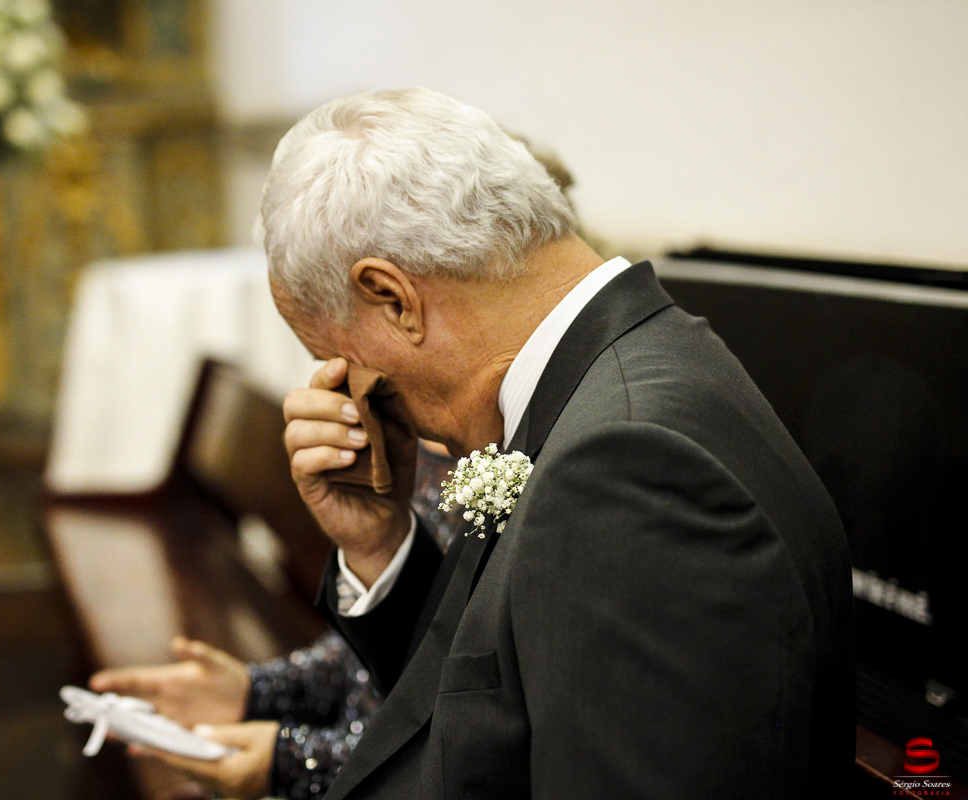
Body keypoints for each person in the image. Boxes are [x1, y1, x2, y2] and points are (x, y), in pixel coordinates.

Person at [141, 87, 855, 799]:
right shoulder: (608, 381)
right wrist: (381, 546)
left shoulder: (627, 469)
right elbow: (488, 702)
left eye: (340, 359)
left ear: (394, 298)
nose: (354, 396)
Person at [91, 443, 463, 799]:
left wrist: (290, 762)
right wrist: (256, 691)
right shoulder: (420, 445)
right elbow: (376, 655)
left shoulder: (491, 478)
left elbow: (462, 752)